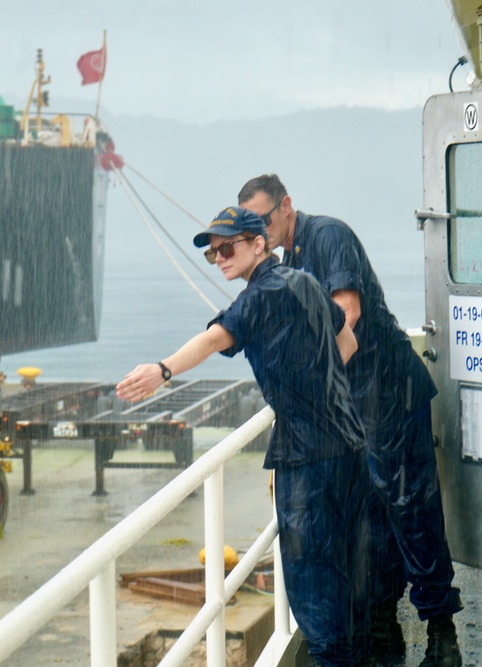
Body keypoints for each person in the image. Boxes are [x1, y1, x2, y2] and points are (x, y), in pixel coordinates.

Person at [116, 206, 370, 666]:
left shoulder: (259, 296)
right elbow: (347, 343)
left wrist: (163, 369)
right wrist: (319, 382)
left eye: (227, 247)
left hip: (306, 456)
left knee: (312, 587)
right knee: (343, 575)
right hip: (349, 445)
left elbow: (214, 339)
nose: (220, 258)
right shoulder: (307, 282)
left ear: (259, 244)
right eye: (214, 254)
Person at [238, 175, 463, 667]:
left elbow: (348, 311)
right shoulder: (288, 261)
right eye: (254, 225)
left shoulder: (328, 237)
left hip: (389, 390)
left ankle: (443, 634)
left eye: (267, 219)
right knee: (369, 517)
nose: (263, 230)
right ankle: (384, 625)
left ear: (287, 206)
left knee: (410, 507)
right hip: (351, 407)